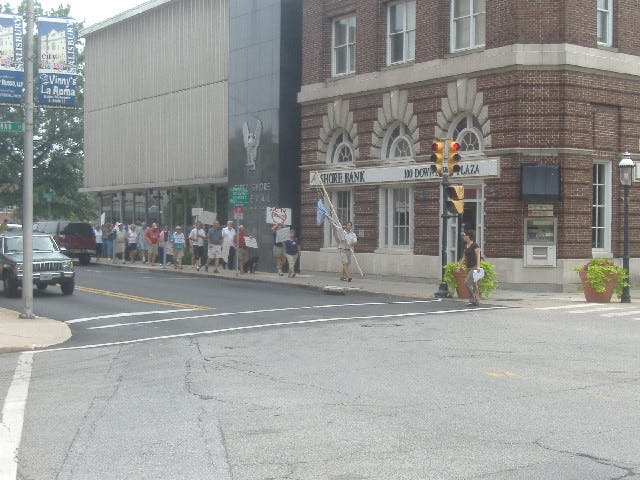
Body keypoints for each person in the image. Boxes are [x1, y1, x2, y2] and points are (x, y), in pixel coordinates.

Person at [458, 230, 481, 307]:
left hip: (474, 267)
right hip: (468, 267)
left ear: (469, 236)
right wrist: (459, 267)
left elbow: (478, 256)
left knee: (467, 283)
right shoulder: (466, 246)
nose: (464, 237)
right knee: (474, 284)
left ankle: (473, 299)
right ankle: (476, 301)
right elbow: (464, 257)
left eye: (465, 235)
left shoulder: (475, 245)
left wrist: (478, 266)